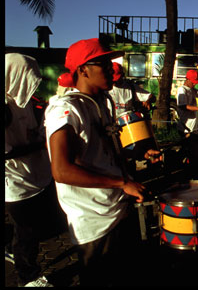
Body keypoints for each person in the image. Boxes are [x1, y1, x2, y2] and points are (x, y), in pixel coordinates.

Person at [44, 38, 162, 286]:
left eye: (111, 63)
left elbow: (101, 153)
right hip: (94, 221)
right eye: (103, 64)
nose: (112, 68)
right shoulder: (65, 108)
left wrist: (138, 154)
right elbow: (61, 170)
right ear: (82, 69)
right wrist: (122, 183)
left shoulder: (102, 102)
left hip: (117, 208)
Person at [5, 53, 57, 287]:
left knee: (32, 228)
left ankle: (14, 253)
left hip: (37, 174)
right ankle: (28, 277)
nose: (33, 84)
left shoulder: (24, 100)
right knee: (26, 232)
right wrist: (39, 144)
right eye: (28, 78)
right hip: (15, 181)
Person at [176, 69, 198, 135]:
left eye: (195, 82)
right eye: (193, 82)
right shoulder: (182, 90)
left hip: (193, 128)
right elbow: (183, 106)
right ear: (187, 80)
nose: (194, 84)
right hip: (185, 128)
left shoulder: (192, 90)